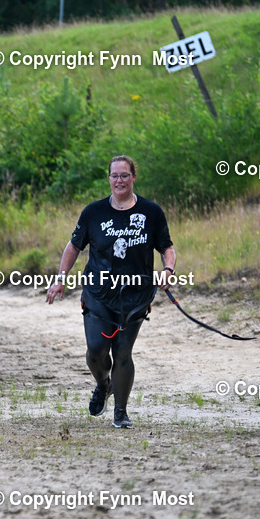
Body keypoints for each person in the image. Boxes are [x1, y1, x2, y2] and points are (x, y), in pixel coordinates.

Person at [46, 155, 176, 428]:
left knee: (123, 352)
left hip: (135, 296)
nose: (119, 180)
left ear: (133, 177)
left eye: (124, 175)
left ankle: (121, 412)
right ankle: (103, 384)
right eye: (114, 176)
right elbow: (73, 247)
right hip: (98, 294)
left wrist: (168, 270)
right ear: (109, 179)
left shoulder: (151, 212)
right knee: (95, 350)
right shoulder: (93, 213)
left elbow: (166, 247)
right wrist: (60, 278)